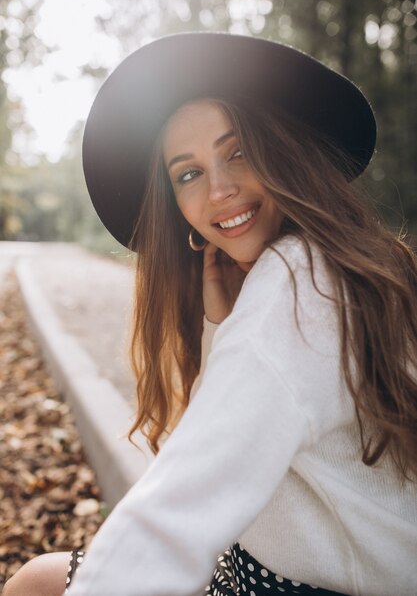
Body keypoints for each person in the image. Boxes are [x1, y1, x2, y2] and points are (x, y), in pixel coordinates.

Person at [4, 33, 417, 596]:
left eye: (238, 150)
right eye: (189, 173)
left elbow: (185, 498)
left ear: (284, 150)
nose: (220, 188)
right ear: (174, 201)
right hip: (253, 571)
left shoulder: (299, 281)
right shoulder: (340, 264)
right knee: (37, 580)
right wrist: (221, 330)